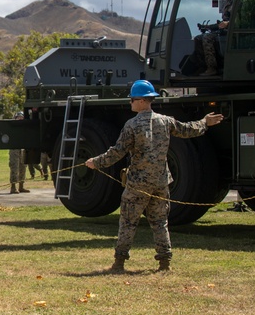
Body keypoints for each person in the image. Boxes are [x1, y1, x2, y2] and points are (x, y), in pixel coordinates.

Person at [85, 80, 224, 272]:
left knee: (128, 222)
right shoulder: (165, 121)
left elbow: (117, 152)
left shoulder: (131, 125)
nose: (130, 103)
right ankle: (164, 263)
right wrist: (204, 122)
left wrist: (96, 162)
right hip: (160, 182)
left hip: (137, 184)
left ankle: (119, 263)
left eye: (132, 99)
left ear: (142, 101)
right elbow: (188, 130)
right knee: (160, 223)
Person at [193, 0, 236, 77]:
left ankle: (212, 68)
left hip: (233, 33)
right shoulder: (228, 1)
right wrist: (209, 27)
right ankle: (203, 67)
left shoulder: (238, 0)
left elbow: (242, 19)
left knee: (207, 38)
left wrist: (228, 23)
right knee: (198, 38)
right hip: (226, 31)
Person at [9, 112, 29, 194]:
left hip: (22, 149)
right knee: (14, 167)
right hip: (14, 149)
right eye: (18, 118)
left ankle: (21, 186)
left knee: (23, 167)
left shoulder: (24, 128)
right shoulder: (12, 127)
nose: (20, 119)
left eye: (22, 118)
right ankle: (13, 187)